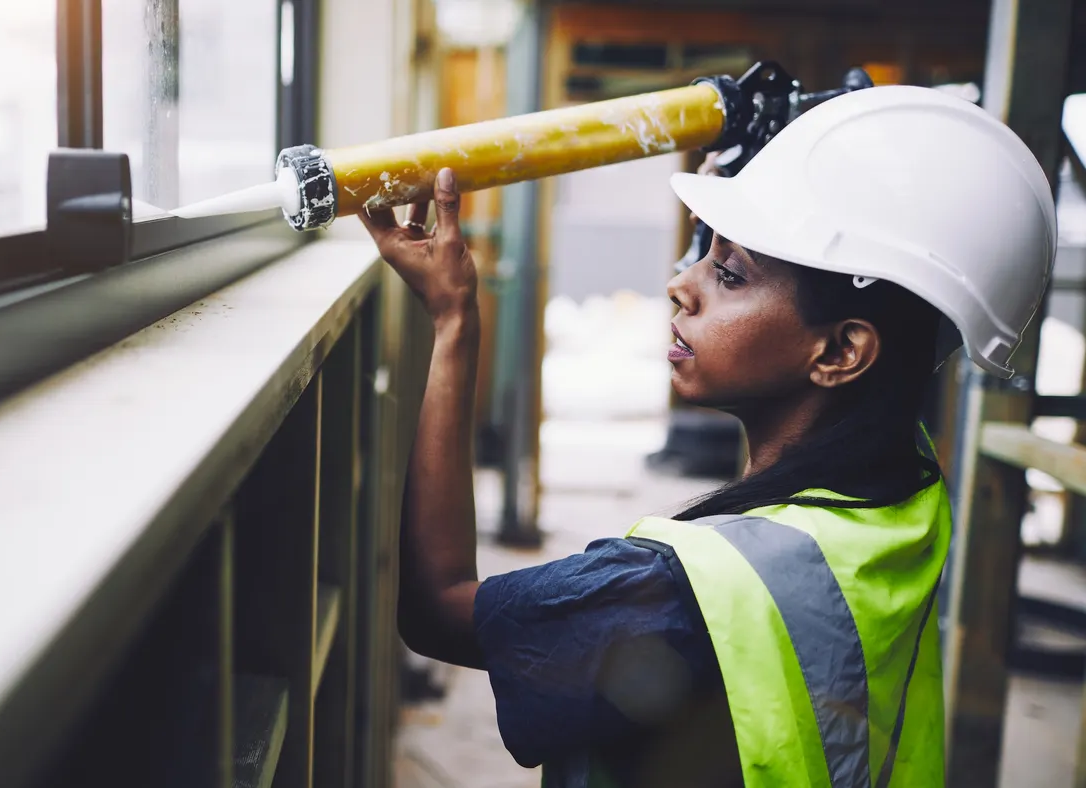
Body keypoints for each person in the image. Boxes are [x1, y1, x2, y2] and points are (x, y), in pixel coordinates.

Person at [358, 85, 1056, 787]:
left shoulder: (683, 592)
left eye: (727, 273)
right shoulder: (904, 497)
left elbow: (438, 608)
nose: (680, 284)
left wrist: (454, 321)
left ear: (841, 352)